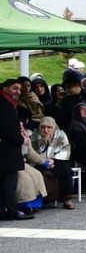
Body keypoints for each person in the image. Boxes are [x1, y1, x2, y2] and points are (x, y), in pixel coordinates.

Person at [1, 79, 34, 220]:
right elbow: (7, 128)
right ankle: (12, 210)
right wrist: (22, 139)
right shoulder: (4, 105)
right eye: (15, 88)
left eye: (19, 89)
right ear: (5, 88)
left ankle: (4, 210)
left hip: (6, 149)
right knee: (9, 181)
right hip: (7, 150)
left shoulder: (8, 103)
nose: (18, 92)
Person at [32, 117, 75, 209]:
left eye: (49, 127)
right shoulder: (35, 135)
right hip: (40, 160)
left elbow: (66, 149)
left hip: (57, 159)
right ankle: (41, 199)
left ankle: (67, 198)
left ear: (53, 127)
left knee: (66, 170)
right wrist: (44, 160)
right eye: (43, 127)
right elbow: (33, 152)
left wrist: (54, 159)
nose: (45, 130)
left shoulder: (60, 134)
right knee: (37, 172)